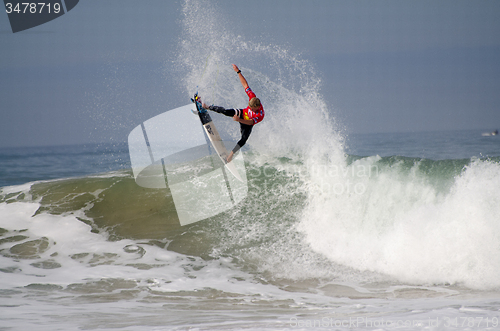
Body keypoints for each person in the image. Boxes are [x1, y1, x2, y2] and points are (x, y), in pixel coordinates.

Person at [202, 64, 264, 162]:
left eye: (252, 109)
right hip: (242, 113)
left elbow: (251, 122)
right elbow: (245, 85)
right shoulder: (252, 97)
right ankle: (207, 107)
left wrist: (239, 120)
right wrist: (238, 71)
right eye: (250, 108)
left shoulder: (260, 115)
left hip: (246, 123)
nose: (251, 110)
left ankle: (231, 155)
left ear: (257, 107)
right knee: (226, 111)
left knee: (243, 140)